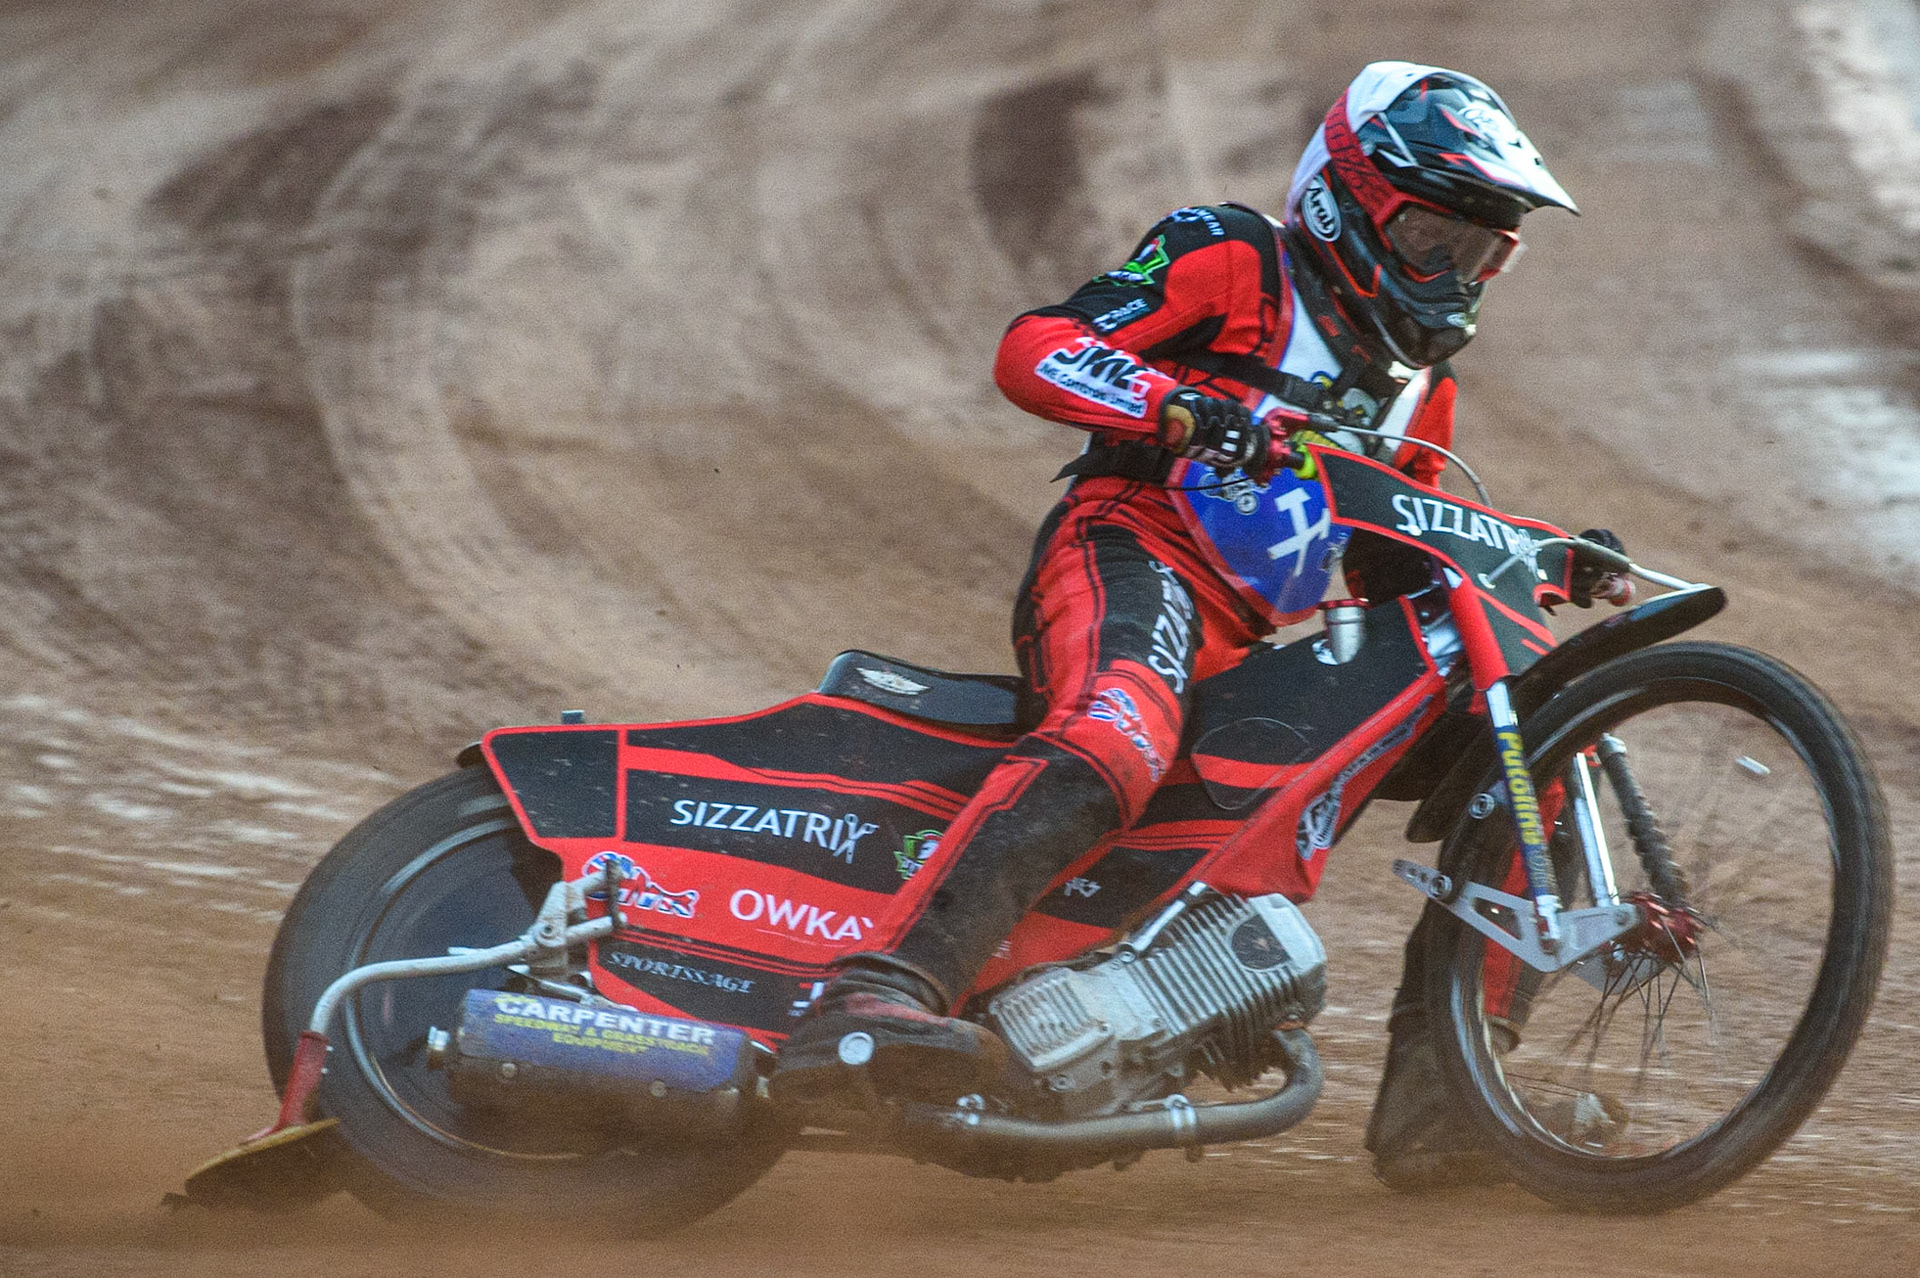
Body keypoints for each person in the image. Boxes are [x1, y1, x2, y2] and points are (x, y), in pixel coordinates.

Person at [772, 60, 1622, 1188]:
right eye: (1432, 238)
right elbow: (1036, 348)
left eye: (1476, 254)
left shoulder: (1423, 389)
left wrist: (1538, 553)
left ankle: (1447, 1101)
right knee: (1119, 732)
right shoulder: (1231, 253)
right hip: (1129, 550)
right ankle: (881, 989)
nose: (1450, 273)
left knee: (1535, 757)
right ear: (1348, 201)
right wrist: (1174, 406)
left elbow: (1402, 556)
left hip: (1245, 644)